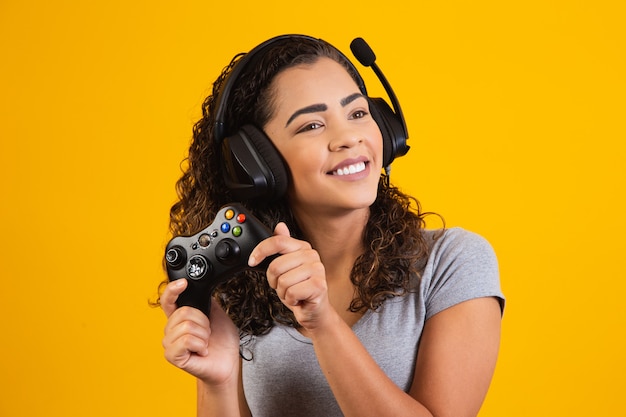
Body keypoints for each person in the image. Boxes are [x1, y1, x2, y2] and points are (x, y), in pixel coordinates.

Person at [157, 34, 504, 417]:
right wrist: (218, 380)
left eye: (357, 113)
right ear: (255, 163)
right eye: (312, 125)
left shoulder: (452, 262)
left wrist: (323, 322)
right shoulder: (240, 287)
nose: (349, 138)